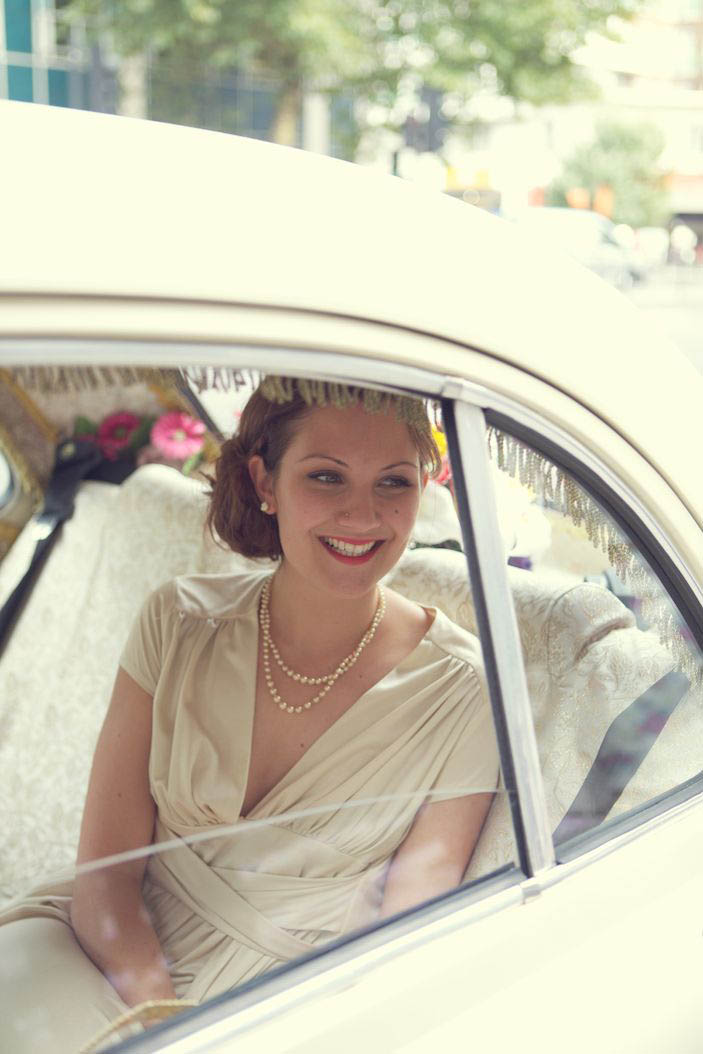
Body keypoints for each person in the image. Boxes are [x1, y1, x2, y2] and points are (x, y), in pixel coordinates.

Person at [0, 377, 499, 1052]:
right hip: (102, 956)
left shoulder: (464, 692)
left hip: (278, 1015)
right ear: (266, 481)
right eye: (326, 476)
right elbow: (107, 876)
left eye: (393, 482)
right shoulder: (176, 620)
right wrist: (166, 1025)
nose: (363, 514)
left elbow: (400, 946)